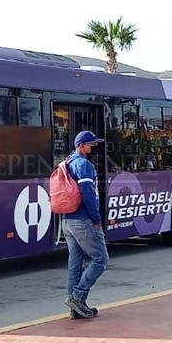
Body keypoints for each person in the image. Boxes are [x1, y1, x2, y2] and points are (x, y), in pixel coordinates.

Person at [62, 130, 109, 320]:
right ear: (81, 145)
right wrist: (97, 220)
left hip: (68, 220)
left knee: (75, 262)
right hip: (83, 220)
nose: (93, 147)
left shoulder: (68, 162)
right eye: (90, 145)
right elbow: (88, 194)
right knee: (101, 259)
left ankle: (76, 308)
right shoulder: (84, 164)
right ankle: (78, 297)